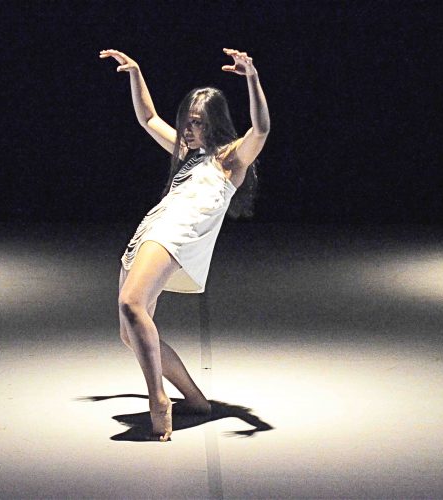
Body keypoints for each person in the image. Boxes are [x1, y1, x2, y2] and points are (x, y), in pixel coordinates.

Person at [99, 48, 270, 441]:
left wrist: (252, 77)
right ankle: (194, 399)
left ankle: (158, 400)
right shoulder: (189, 156)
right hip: (151, 230)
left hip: (174, 236)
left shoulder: (230, 159)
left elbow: (260, 130)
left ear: (214, 123)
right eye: (185, 123)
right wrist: (136, 72)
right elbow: (148, 119)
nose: (188, 130)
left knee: (131, 304)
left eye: (196, 123)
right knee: (130, 331)